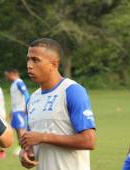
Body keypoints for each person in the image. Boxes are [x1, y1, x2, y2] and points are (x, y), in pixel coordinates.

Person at [19, 38, 96, 170]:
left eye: (36, 60)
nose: (29, 65)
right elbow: (33, 141)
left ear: (54, 64)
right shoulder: (32, 99)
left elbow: (89, 140)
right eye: (28, 59)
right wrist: (26, 153)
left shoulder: (72, 91)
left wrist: (43, 137)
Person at [4, 68, 29, 155]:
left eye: (7, 75)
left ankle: (26, 148)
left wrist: (27, 106)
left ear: (12, 74)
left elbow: (25, 93)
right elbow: (16, 99)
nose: (6, 77)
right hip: (16, 110)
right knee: (18, 130)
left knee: (21, 129)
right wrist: (12, 111)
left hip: (20, 110)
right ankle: (22, 147)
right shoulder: (14, 84)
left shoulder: (19, 82)